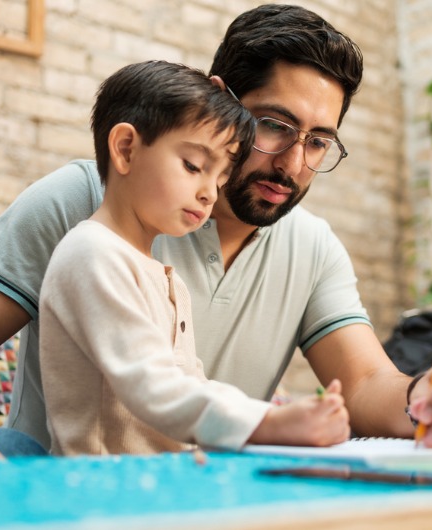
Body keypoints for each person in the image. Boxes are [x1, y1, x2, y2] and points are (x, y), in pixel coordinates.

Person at [0, 4, 432, 461]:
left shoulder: (313, 249)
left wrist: (430, 393)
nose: (292, 164)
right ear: (222, 100)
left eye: (317, 141)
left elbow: (368, 382)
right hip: (57, 485)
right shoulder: (85, 201)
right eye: (274, 126)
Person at [41, 60, 349, 455]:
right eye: (193, 166)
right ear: (125, 149)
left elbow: (190, 383)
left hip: (163, 485)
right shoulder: (92, 255)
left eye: (219, 178)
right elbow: (155, 388)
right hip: (103, 494)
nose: (209, 193)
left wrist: (282, 414)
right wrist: (268, 423)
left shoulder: (160, 274)